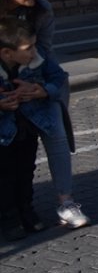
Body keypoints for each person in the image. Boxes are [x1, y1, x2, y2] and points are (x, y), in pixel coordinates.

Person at [0, 17, 86, 235]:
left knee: (26, 170)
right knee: (6, 174)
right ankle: (10, 218)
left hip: (27, 126)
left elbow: (58, 77)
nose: (33, 52)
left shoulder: (37, 60)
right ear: (7, 53)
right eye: (28, 48)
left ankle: (27, 211)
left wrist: (44, 89)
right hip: (4, 131)